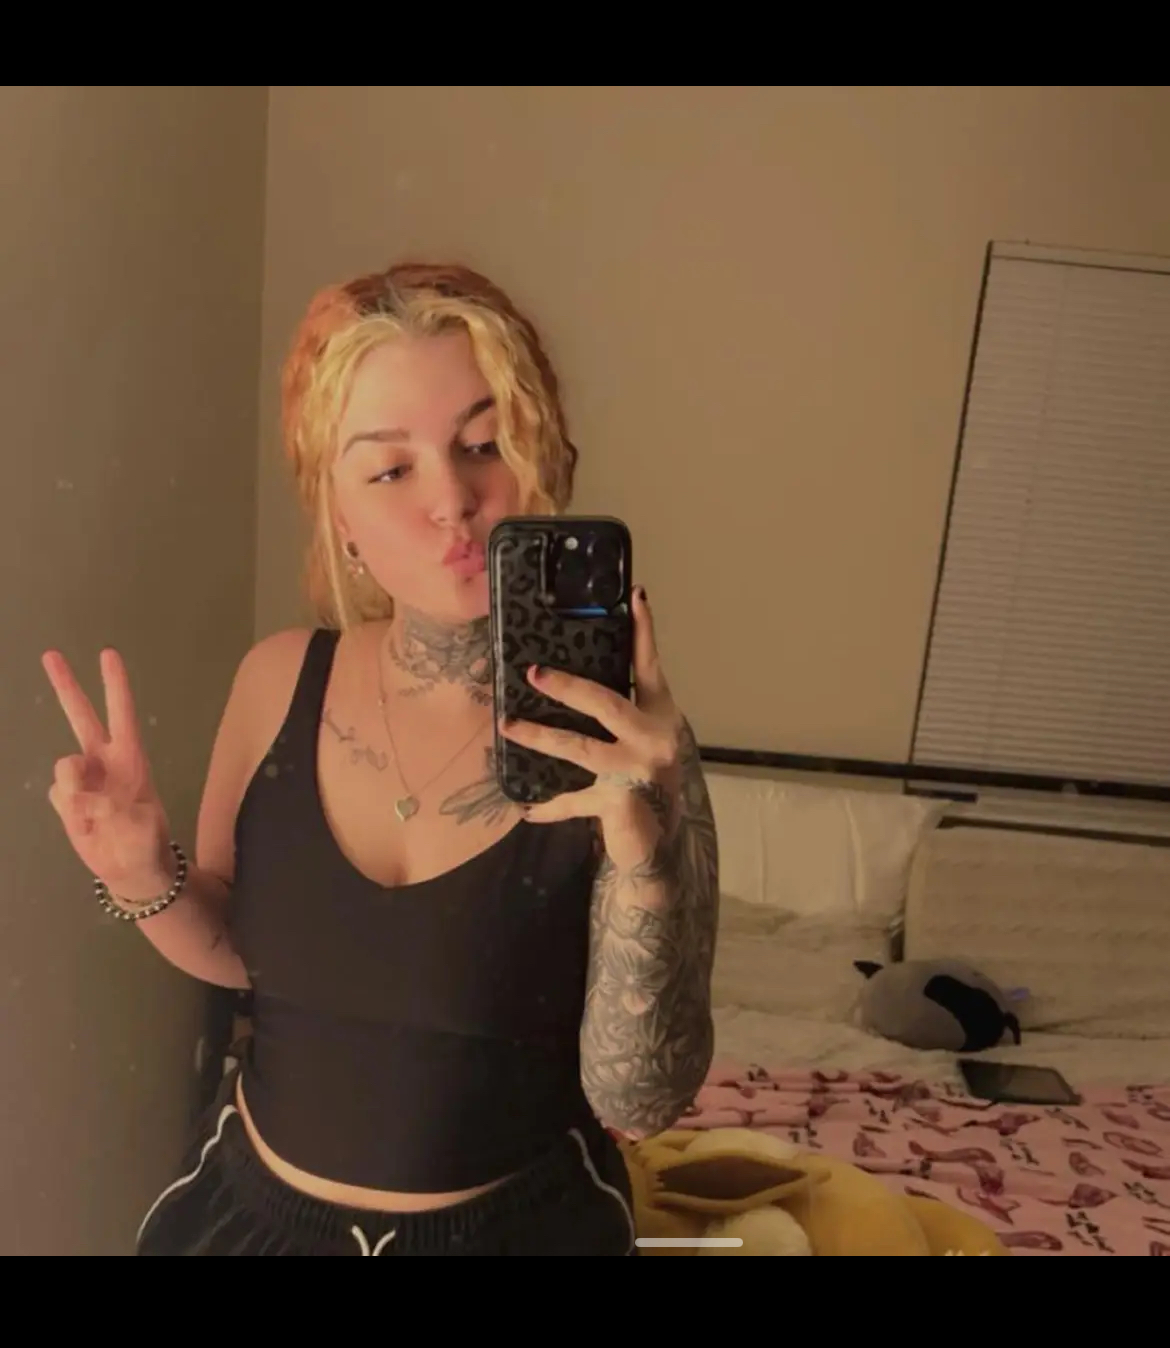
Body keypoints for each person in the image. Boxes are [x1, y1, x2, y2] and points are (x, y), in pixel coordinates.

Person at [42, 261, 720, 1257]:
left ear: (540, 459)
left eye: (483, 445)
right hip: (250, 1223)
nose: (452, 500)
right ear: (341, 516)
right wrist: (144, 876)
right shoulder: (276, 680)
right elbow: (242, 954)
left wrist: (647, 859)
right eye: (392, 470)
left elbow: (641, 1099)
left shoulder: (629, 741)